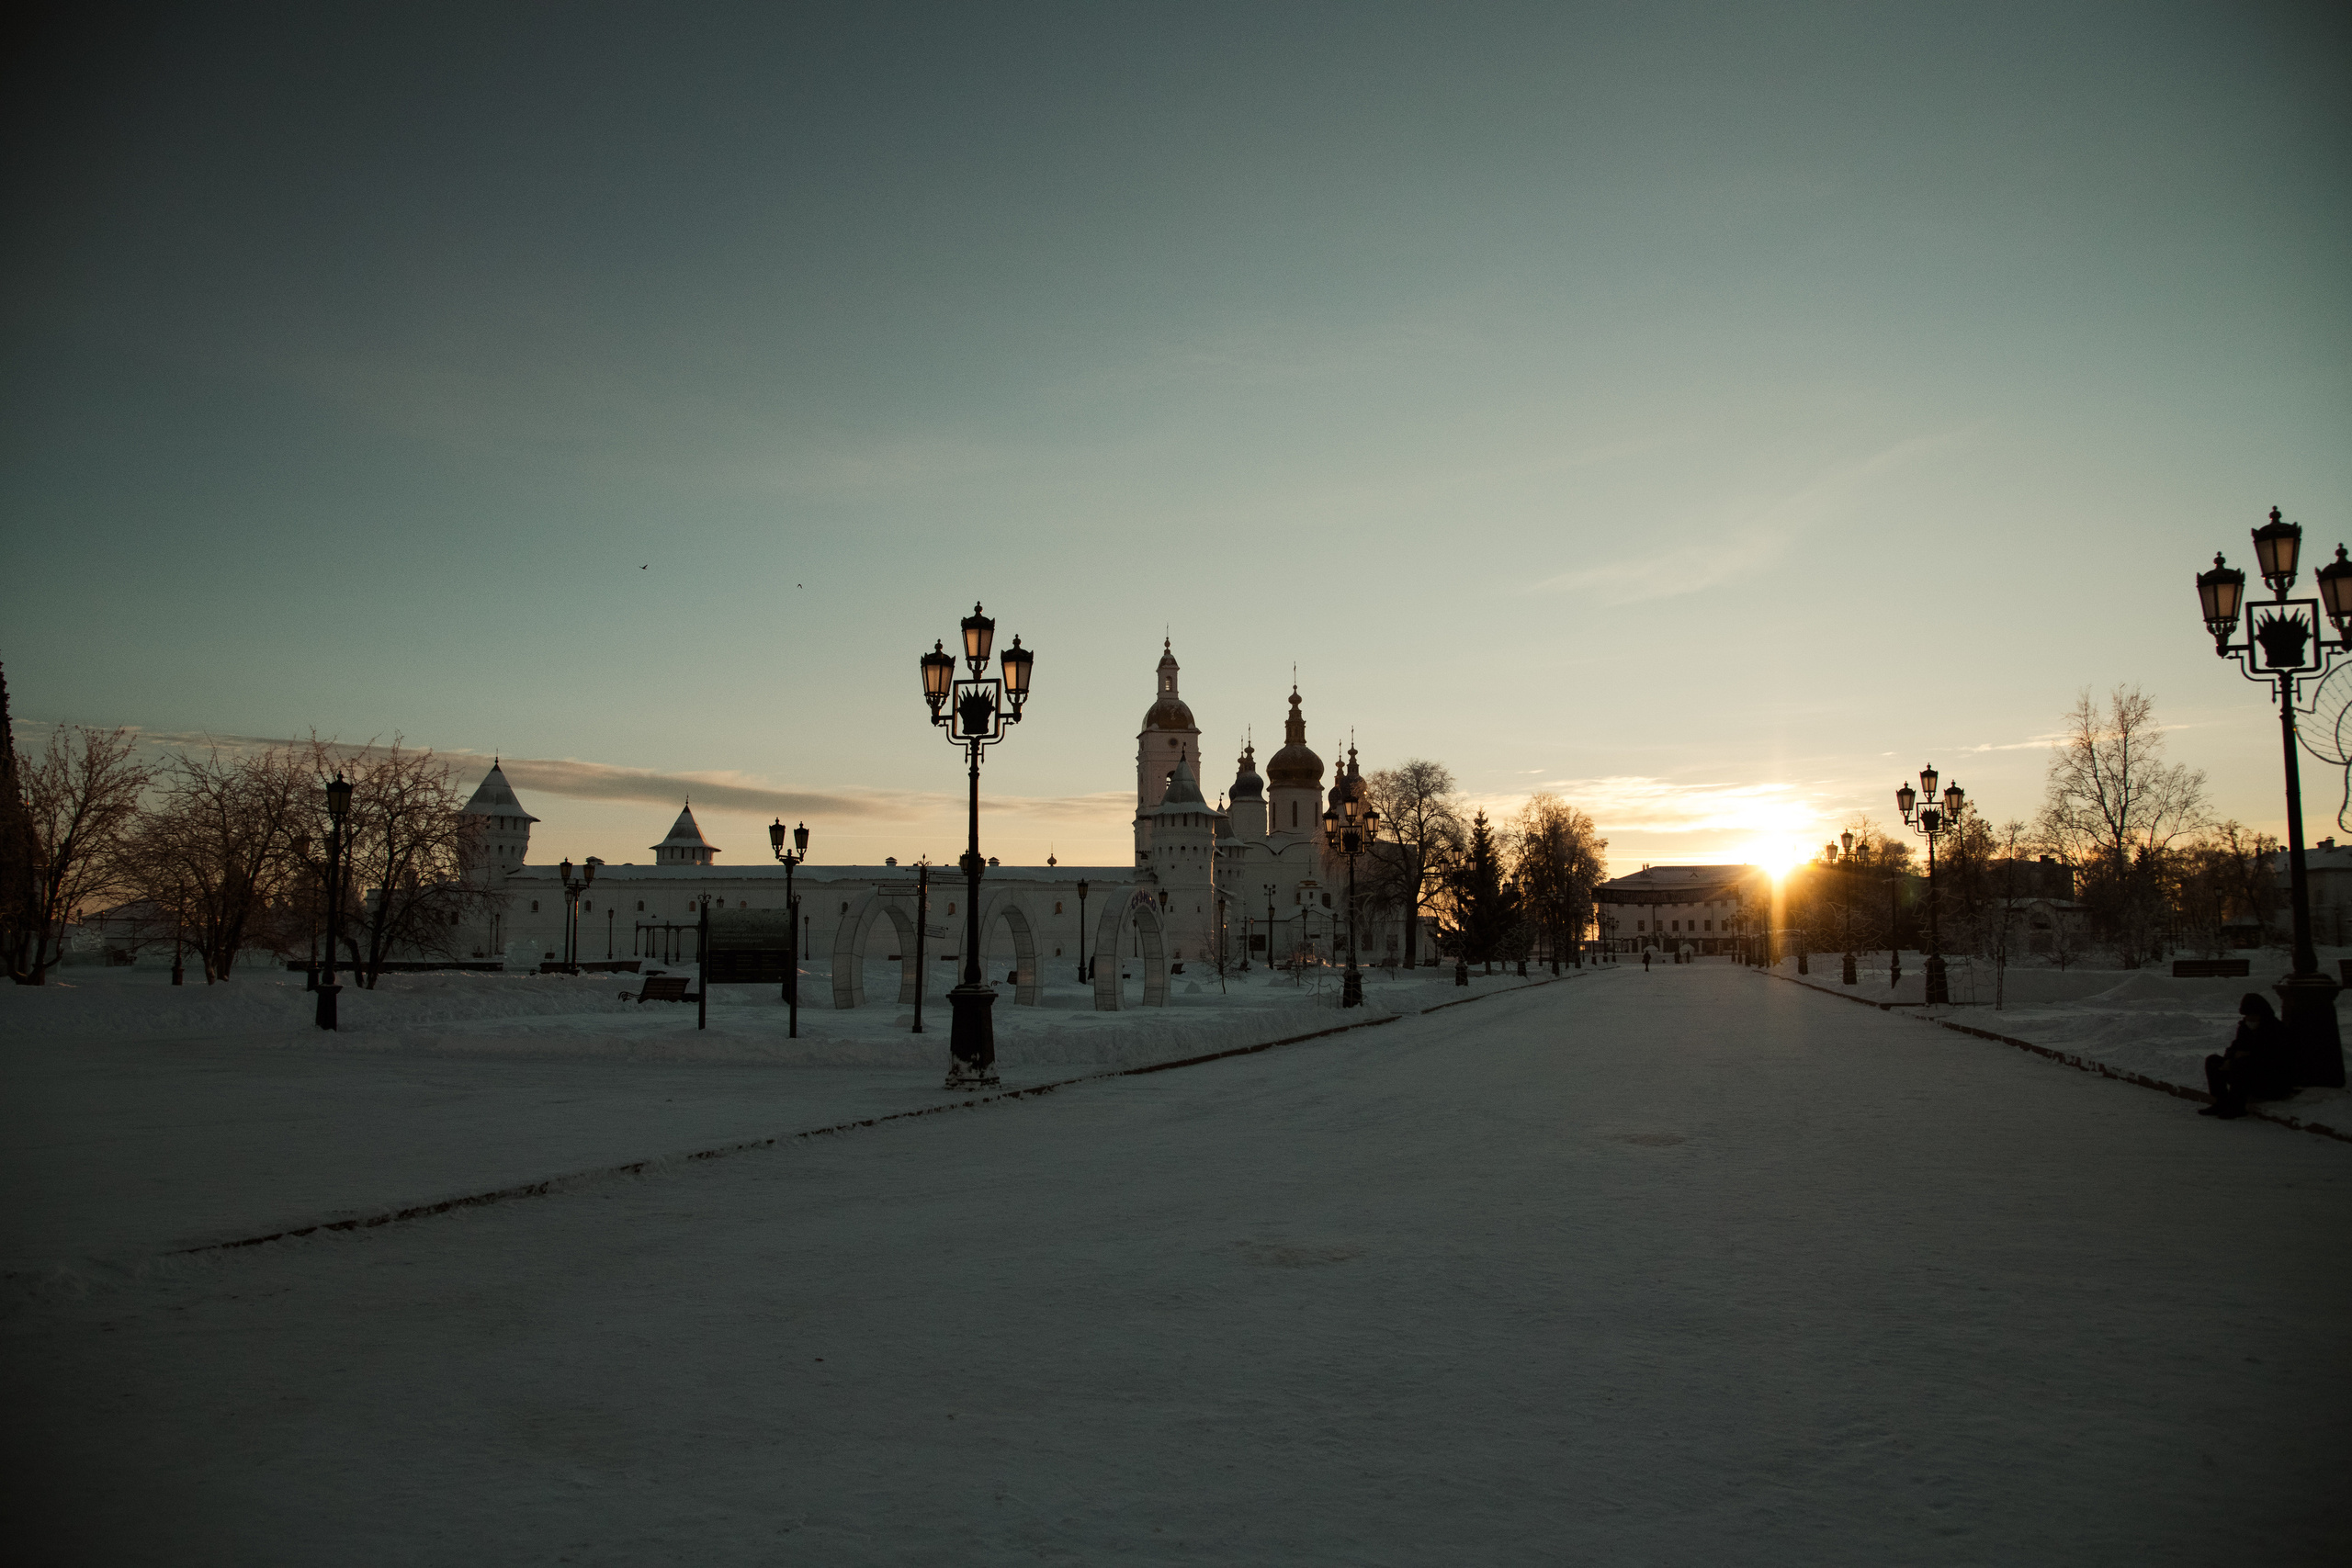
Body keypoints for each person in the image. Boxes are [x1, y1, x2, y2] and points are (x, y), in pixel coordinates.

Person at [2201, 993, 2291, 1119]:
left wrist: (2241, 1058)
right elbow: (2234, 1048)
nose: (2249, 1019)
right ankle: (2221, 1102)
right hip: (2246, 1073)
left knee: (2242, 1063)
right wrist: (2230, 1058)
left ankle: (2237, 1107)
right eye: (2247, 1016)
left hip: (2269, 1081)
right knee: (2213, 1061)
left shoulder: (2275, 1030)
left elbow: (2270, 1059)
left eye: (2253, 1016)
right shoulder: (2245, 1028)